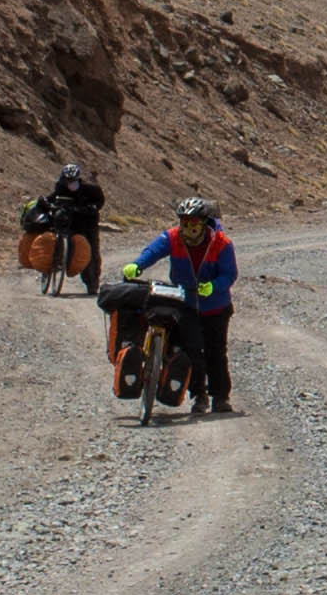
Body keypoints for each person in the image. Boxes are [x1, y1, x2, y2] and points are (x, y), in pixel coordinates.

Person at [124, 197, 240, 416]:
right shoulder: (172, 237)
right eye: (184, 222)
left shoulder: (222, 243)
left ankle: (220, 397)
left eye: (193, 223)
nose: (188, 228)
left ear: (204, 223)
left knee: (216, 352)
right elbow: (152, 252)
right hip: (185, 303)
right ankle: (199, 396)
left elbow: (229, 274)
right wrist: (137, 266)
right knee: (191, 351)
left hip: (216, 307)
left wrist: (214, 286)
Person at [30, 163, 106, 294]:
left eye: (73, 180)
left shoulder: (90, 190)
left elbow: (99, 202)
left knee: (90, 254)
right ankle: (52, 265)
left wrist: (90, 208)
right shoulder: (61, 187)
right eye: (67, 180)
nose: (70, 183)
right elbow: (52, 198)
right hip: (68, 223)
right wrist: (45, 203)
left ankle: (92, 284)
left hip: (87, 225)